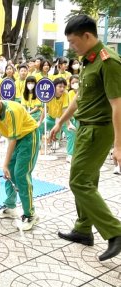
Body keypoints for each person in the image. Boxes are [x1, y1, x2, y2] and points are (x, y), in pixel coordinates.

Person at [50, 15, 121, 261]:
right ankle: (83, 229)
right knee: (88, 180)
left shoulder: (108, 62)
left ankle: (115, 232)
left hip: (98, 130)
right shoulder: (89, 61)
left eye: (73, 41)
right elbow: (80, 98)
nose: (71, 47)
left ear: (88, 36)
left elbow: (117, 105)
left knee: (79, 182)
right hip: (83, 128)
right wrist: (60, 121)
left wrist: (118, 146)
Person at [0, 88, 40, 230]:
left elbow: (12, 140)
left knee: (21, 174)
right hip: (16, 139)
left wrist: (4, 164)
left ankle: (31, 214)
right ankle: (10, 207)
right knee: (10, 172)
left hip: (29, 137)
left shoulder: (12, 111)